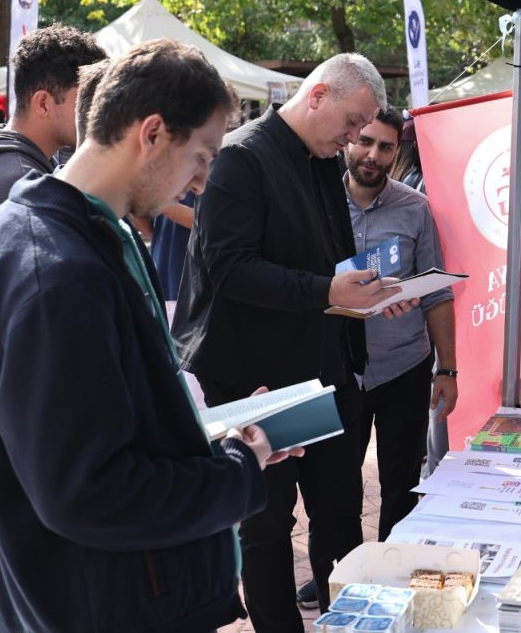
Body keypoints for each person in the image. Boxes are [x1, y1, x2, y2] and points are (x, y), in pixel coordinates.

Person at [0, 38, 295, 632]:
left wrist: (204, 431)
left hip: (80, 594)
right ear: (153, 133)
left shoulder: (46, 234)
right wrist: (242, 466)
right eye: (201, 155)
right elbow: (91, 492)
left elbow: (88, 428)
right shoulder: (60, 273)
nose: (200, 181)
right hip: (99, 604)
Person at [172, 52, 414, 632]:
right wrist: (327, 289)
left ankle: (351, 622)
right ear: (319, 94)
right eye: (353, 122)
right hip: (254, 380)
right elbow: (228, 269)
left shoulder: (320, 161)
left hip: (323, 370)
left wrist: (372, 292)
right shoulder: (240, 158)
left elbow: (327, 260)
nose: (356, 139)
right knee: (265, 526)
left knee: (339, 516)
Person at [295, 108, 459, 610]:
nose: (373, 155)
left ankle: (391, 589)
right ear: (349, 140)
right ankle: (342, 591)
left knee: (403, 488)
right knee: (334, 494)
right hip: (337, 371)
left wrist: (447, 369)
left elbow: (436, 295)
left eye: (386, 147)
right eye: (365, 142)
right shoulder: (315, 202)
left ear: (397, 152)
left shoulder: (414, 208)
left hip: (403, 368)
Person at [0, 24, 106, 273]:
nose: (94, 110)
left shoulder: (2, 160)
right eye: (85, 98)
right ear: (43, 103)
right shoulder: (17, 180)